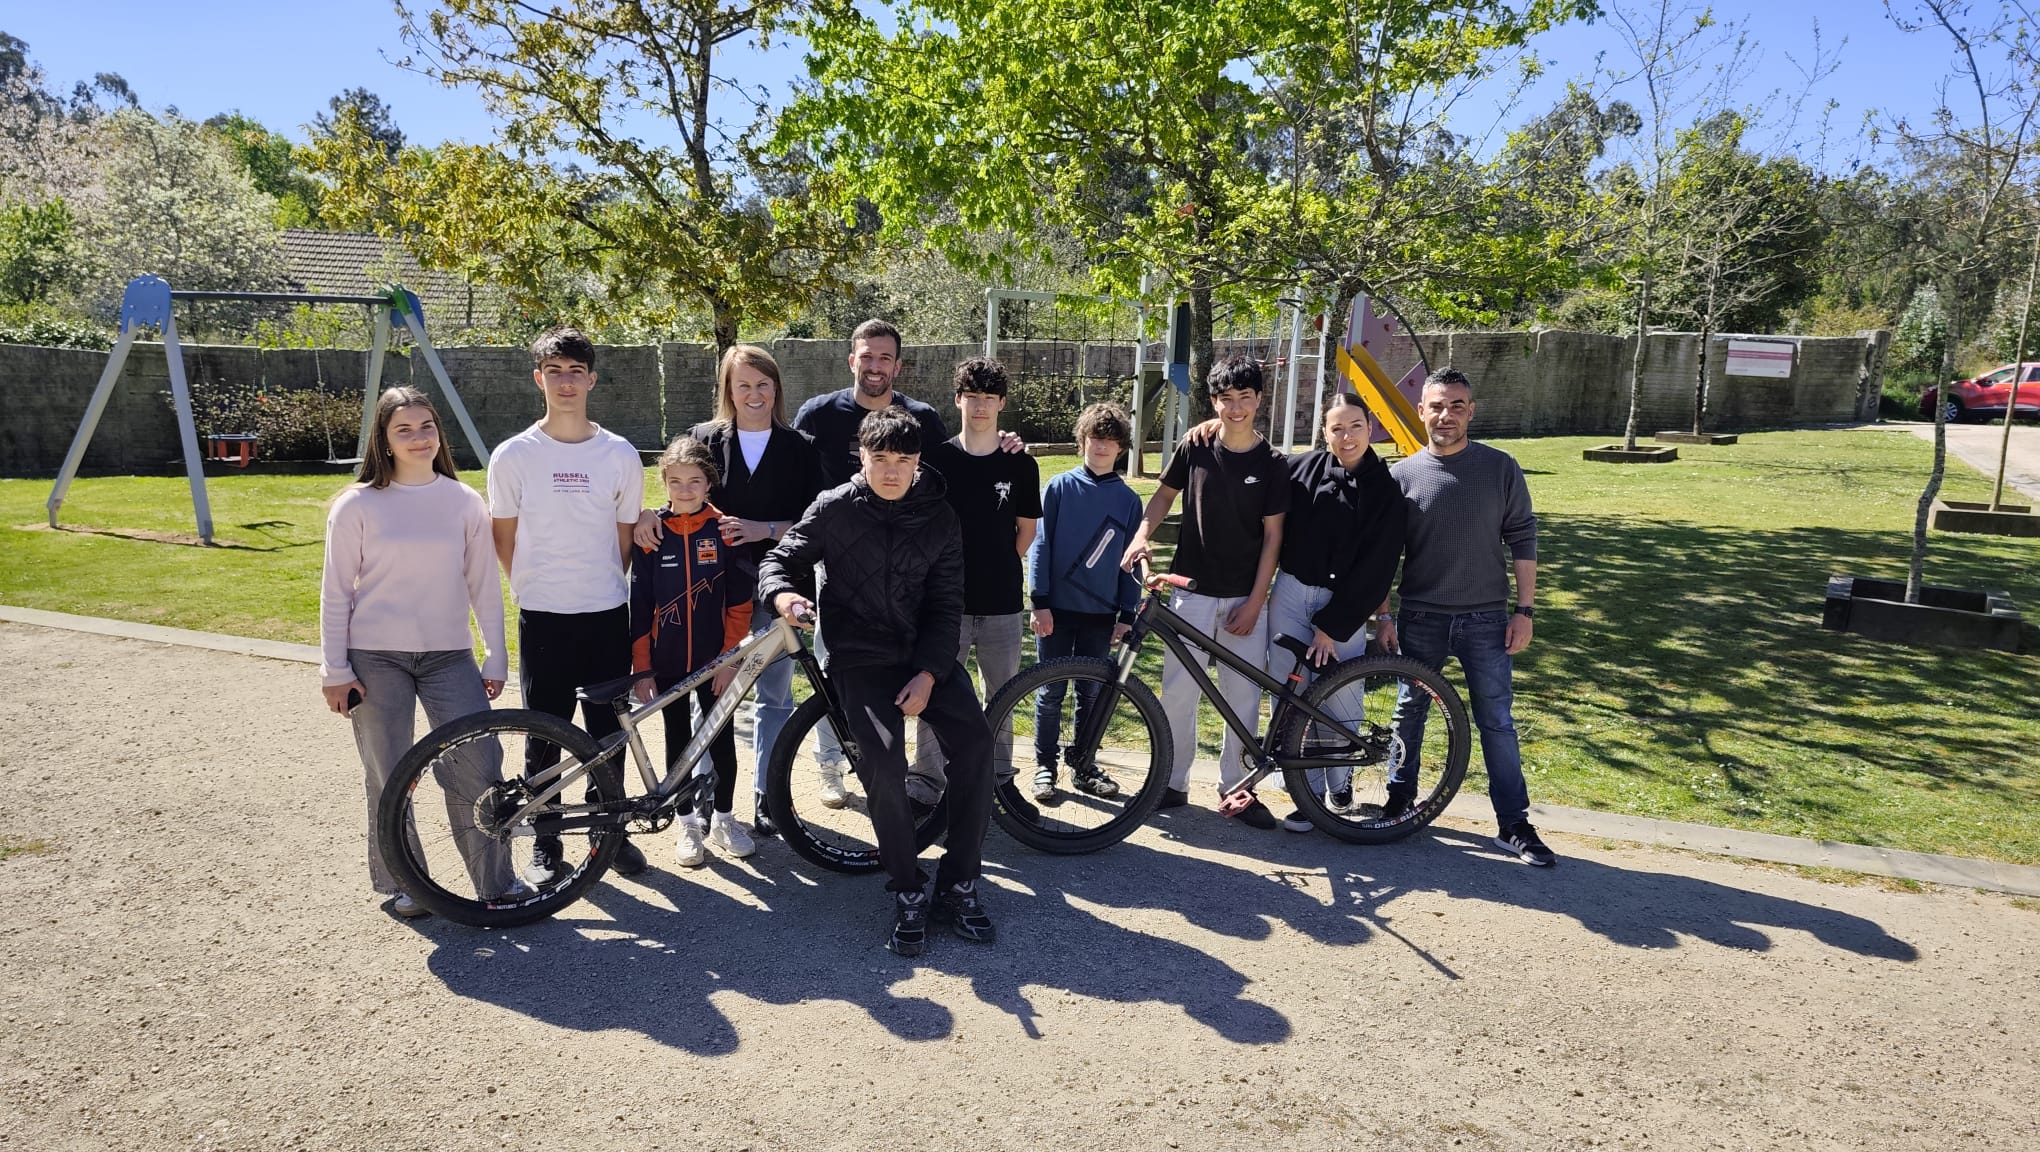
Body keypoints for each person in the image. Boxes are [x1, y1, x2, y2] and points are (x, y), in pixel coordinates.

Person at [758, 407, 997, 958]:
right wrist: (783, 594)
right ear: (860, 456)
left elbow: (947, 604)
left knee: (976, 745)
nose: (892, 471)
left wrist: (929, 674)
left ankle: (960, 882)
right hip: (860, 658)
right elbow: (779, 559)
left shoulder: (940, 515)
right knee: (884, 761)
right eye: (880, 458)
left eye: (904, 460)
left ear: (919, 462)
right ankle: (908, 888)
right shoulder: (833, 507)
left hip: (925, 656)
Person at [320, 386, 519, 918]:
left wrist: (495, 654)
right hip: (374, 656)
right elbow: (335, 591)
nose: (418, 438)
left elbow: (483, 585)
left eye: (426, 426)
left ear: (438, 433)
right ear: (384, 440)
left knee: (479, 765)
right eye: (403, 429)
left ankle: (497, 883)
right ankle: (405, 883)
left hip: (448, 656)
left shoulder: (463, 501)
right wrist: (334, 669)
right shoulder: (357, 505)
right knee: (389, 774)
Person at [635, 345, 825, 838]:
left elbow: (816, 524)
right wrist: (650, 513)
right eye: (743, 385)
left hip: (779, 586)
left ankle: (768, 793)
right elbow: (681, 492)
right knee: (708, 699)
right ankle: (703, 797)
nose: (754, 394)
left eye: (763, 384)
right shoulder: (703, 438)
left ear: (776, 388)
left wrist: (766, 529)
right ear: (728, 390)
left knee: (773, 695)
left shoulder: (801, 446)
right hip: (712, 594)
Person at [487, 328, 649, 881]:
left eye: (576, 372)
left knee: (609, 735)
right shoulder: (514, 455)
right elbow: (503, 537)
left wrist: (599, 584)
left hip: (606, 614)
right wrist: (534, 586)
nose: (566, 383)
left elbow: (625, 538)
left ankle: (610, 832)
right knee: (544, 734)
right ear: (539, 379)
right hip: (544, 617)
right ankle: (546, 840)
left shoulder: (619, 453)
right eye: (554, 372)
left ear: (592, 380)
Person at [1389, 366, 1553, 866]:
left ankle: (1513, 824)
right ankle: (1398, 801)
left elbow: (1523, 537)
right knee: (1410, 711)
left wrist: (1524, 611)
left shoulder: (1500, 467)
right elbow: (1383, 554)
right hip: (1420, 617)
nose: (1446, 416)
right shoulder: (1402, 476)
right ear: (1421, 411)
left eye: (1457, 406)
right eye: (1437, 406)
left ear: (1471, 412)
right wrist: (1382, 614)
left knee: (1496, 721)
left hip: (1487, 619)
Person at [1121, 355, 1290, 829]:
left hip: (1243, 599)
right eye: (1225, 399)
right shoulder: (1194, 445)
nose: (1235, 408)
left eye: (1244, 398)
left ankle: (1237, 788)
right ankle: (1172, 782)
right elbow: (1163, 495)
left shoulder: (1273, 464)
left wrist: (1256, 602)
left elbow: (1274, 537)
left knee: (1242, 698)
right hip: (1190, 593)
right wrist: (1141, 535)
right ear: (1213, 401)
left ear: (1259, 399)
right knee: (1178, 694)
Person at [1264, 391, 1407, 832]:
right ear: (1324, 432)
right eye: (1337, 428)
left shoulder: (1385, 491)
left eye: (1355, 427)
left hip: (1345, 602)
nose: (1347, 437)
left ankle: (1339, 783)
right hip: (1291, 593)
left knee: (1341, 696)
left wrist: (1330, 628)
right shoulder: (1300, 468)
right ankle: (1303, 792)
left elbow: (1377, 568)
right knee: (1290, 691)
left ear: (1371, 428)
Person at [910, 357, 1041, 808]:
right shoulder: (937, 461)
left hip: (1002, 602)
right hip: (945, 604)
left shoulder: (1021, 464)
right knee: (933, 693)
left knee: (1003, 695)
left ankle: (1000, 781)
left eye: (989, 397)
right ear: (957, 400)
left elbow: (1026, 532)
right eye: (972, 397)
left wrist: (997, 565)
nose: (980, 406)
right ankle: (926, 781)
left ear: (1002, 403)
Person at [631, 437, 756, 866]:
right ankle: (686, 824)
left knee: (720, 738)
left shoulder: (726, 531)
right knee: (677, 739)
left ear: (709, 483)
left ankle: (723, 819)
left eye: (695, 482)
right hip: (665, 662)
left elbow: (740, 604)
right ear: (664, 482)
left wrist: (729, 661)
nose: (685, 490)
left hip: (715, 661)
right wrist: (643, 668)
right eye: (676, 482)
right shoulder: (651, 534)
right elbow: (639, 607)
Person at [1027, 400, 1144, 803]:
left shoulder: (1129, 501)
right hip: (1056, 611)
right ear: (1082, 441)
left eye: (1110, 441)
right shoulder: (1059, 487)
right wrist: (1039, 601)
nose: (1102, 446)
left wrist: (1127, 613)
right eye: (1095, 438)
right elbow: (1041, 545)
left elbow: (1131, 562)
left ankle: (1084, 764)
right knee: (1050, 692)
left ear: (1121, 447)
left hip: (1101, 614)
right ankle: (1044, 766)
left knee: (1091, 694)